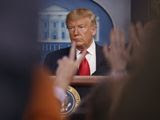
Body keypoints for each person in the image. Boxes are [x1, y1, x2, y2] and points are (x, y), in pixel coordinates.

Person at [44, 8, 110, 76]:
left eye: (81, 27)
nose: (75, 33)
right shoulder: (53, 59)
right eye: (71, 28)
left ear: (93, 30)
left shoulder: (110, 57)